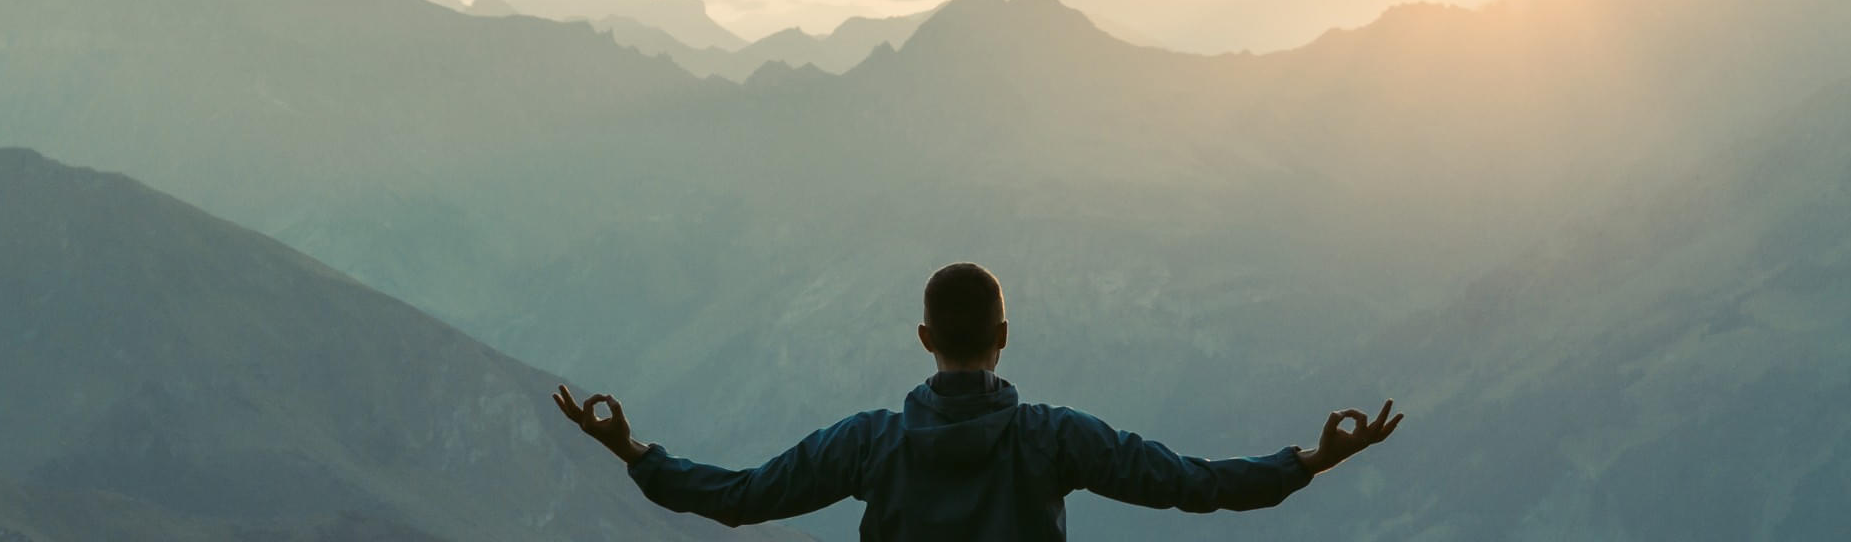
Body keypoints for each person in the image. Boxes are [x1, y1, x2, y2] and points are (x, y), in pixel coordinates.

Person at [550, 262, 1405, 540]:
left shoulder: (868, 445)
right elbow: (1193, 484)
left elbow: (739, 501)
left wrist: (633, 452)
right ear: (1007, 333)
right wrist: (1310, 461)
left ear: (924, 340)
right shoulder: (1057, 441)